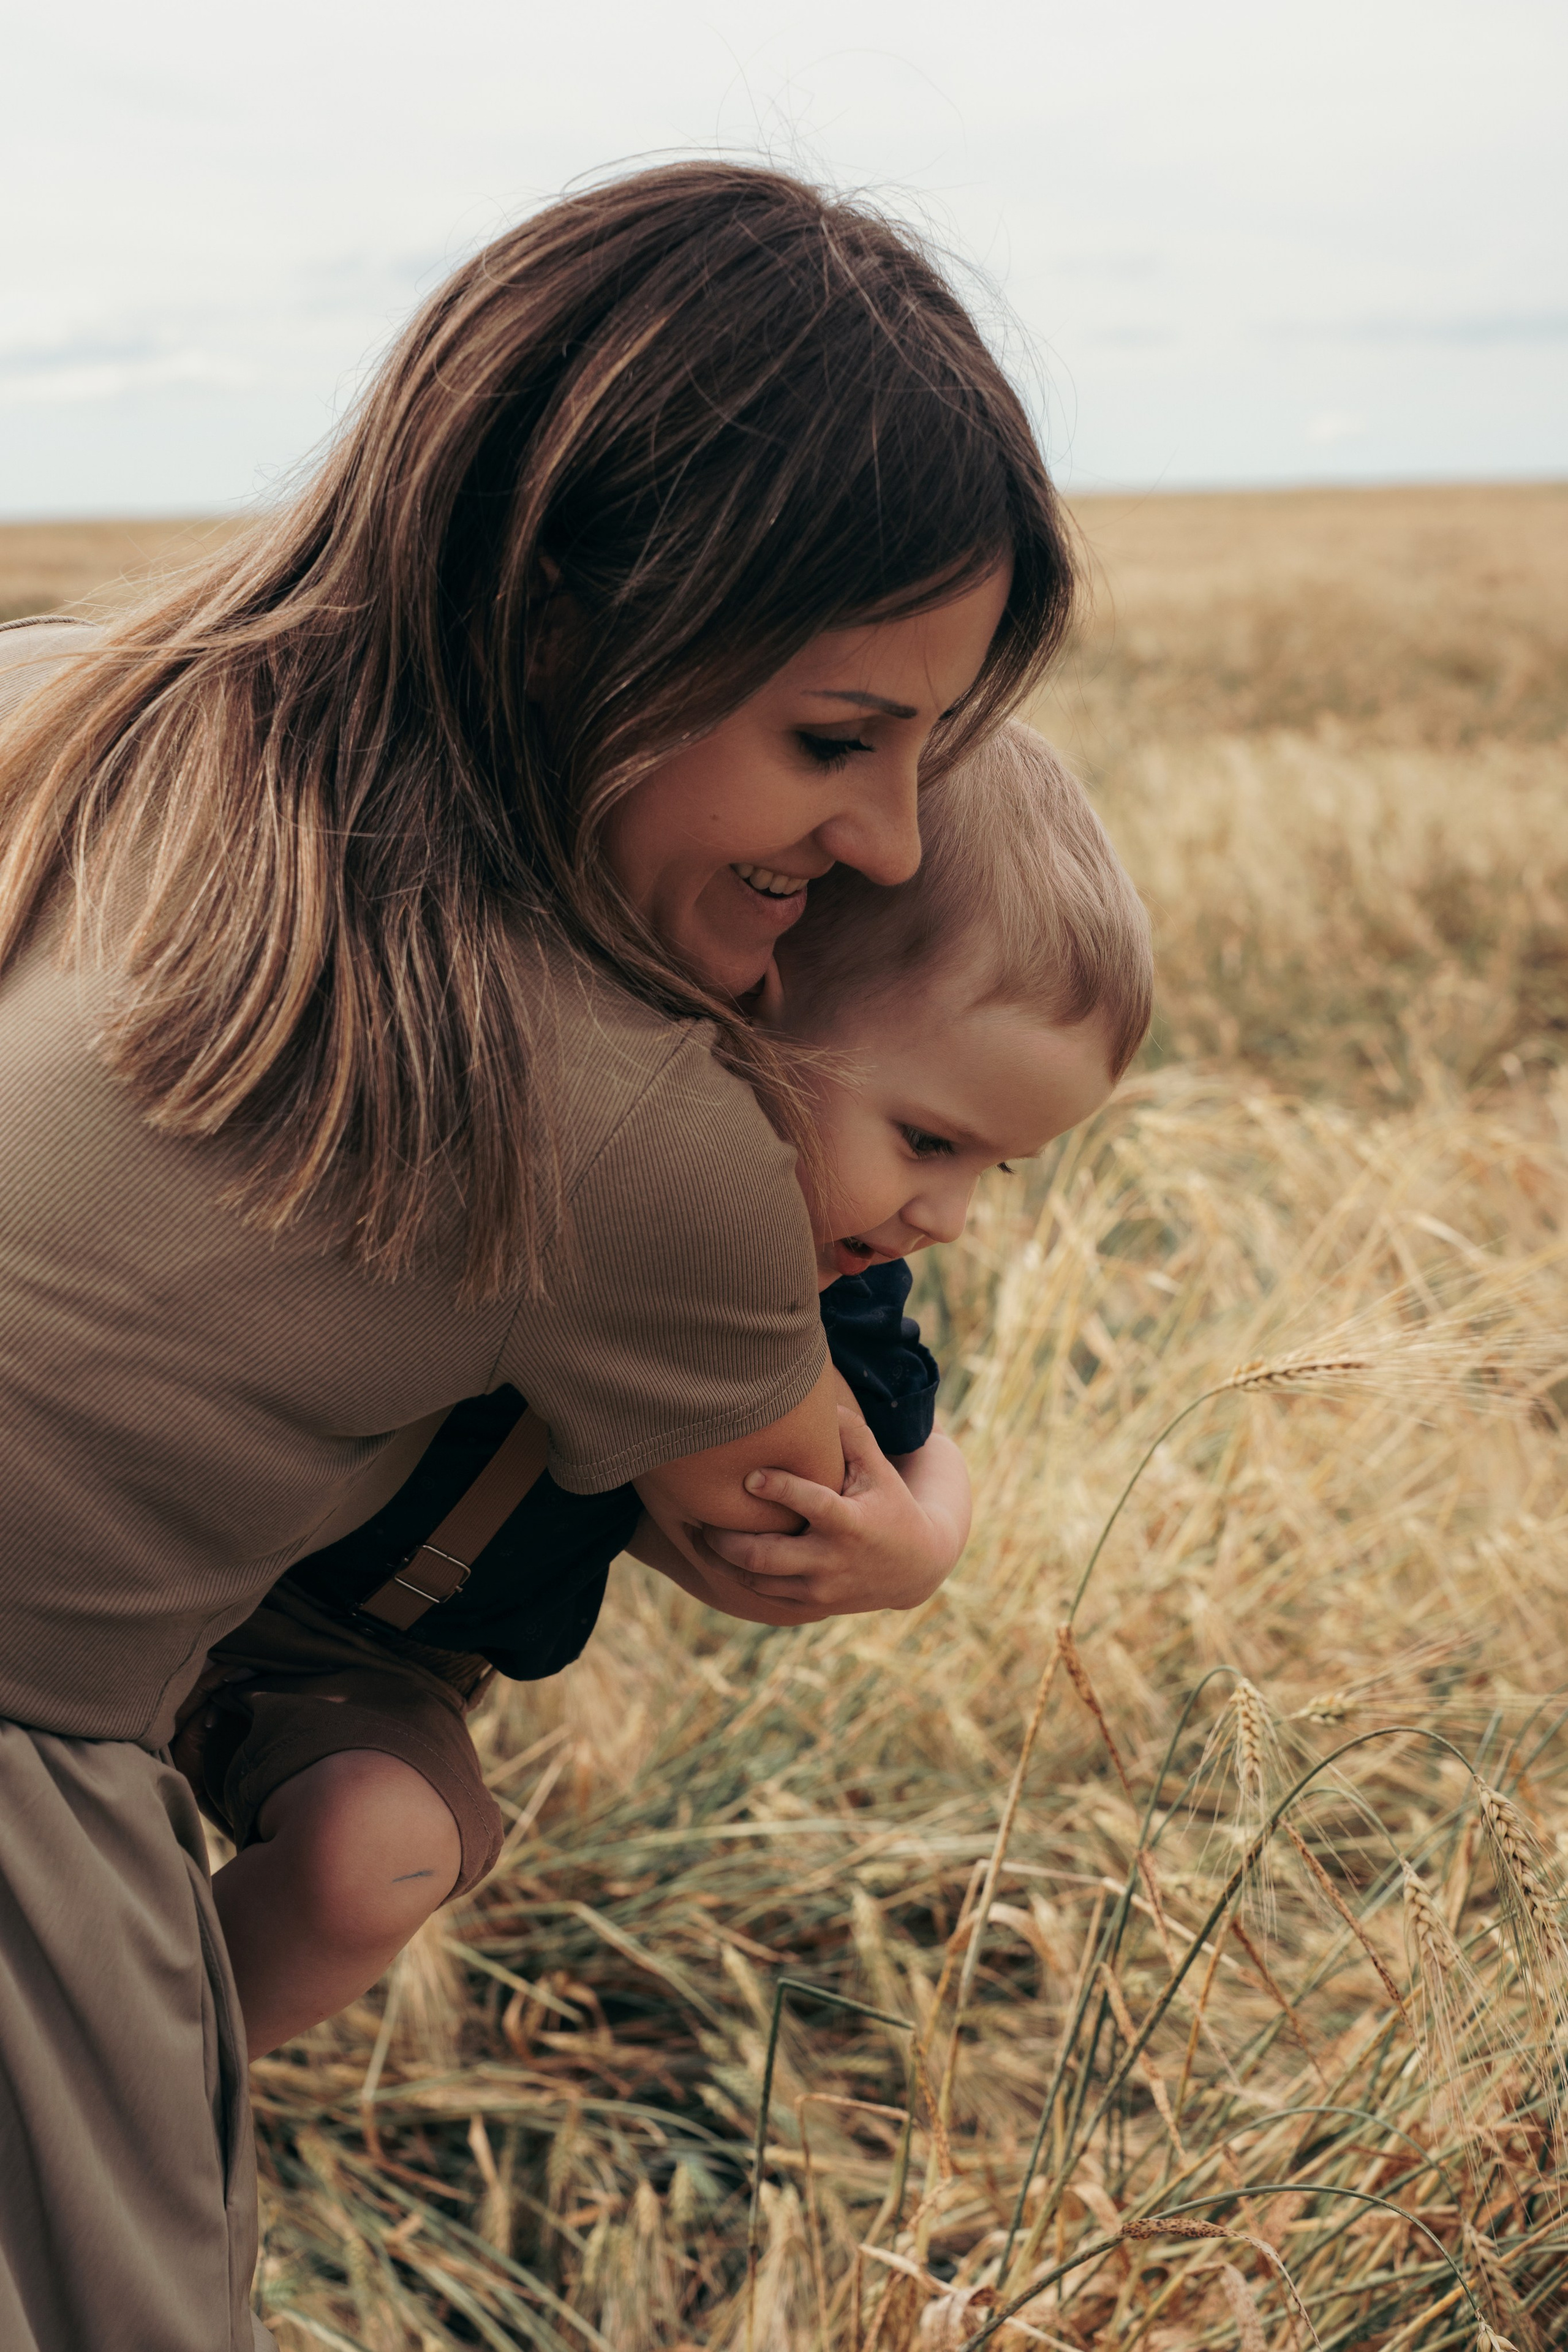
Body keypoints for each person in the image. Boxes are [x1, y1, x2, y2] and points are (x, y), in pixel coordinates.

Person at [0, 164, 1076, 2351]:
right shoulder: (618, 1113)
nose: (882, 839)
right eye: (836, 739)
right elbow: (798, 1518)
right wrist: (933, 1545)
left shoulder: (72, 700)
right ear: (572, 610)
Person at [176, 719, 1152, 2059]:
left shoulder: (837, 1300)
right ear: (739, 1009)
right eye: (926, 1139)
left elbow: (839, 1486)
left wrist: (922, 1546)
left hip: (375, 1668)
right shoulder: (542, 1119)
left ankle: (153, 2077)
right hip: (204, 1555)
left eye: (993, 1170)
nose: (948, 1216)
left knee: (380, 1858)